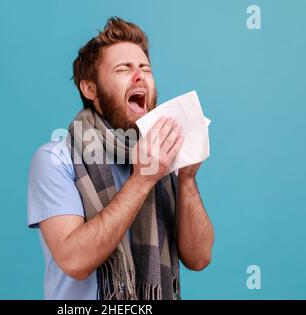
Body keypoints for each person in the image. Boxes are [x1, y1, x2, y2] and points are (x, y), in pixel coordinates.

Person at [27, 16, 214, 300]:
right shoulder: (56, 159)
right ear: (90, 89)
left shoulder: (162, 155)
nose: (139, 76)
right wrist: (143, 179)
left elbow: (199, 259)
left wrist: (187, 178)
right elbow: (74, 262)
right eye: (123, 69)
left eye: (145, 69)